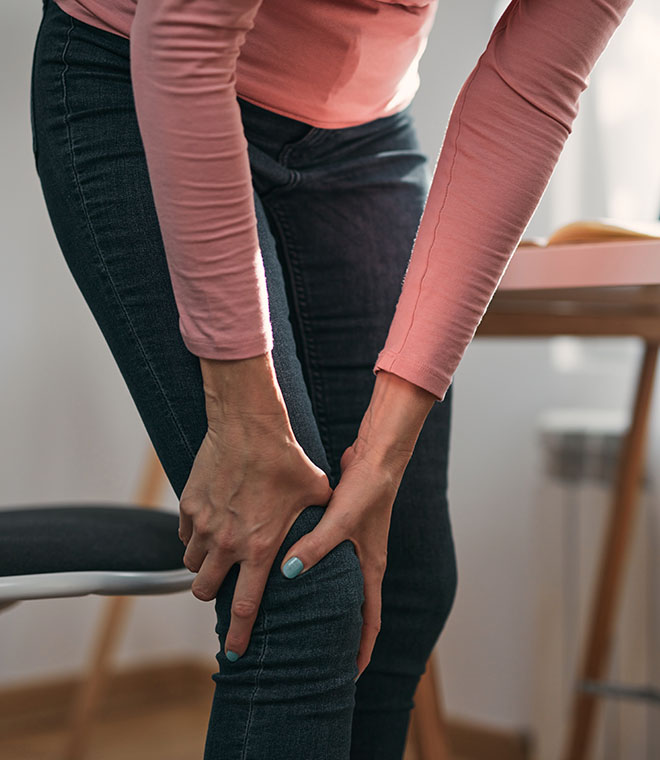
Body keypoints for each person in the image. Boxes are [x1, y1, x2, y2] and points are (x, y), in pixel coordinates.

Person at [28, 0, 633, 756]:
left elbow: (527, 92)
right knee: (297, 589)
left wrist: (379, 457)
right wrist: (247, 418)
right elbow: (188, 31)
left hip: (361, 136)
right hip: (140, 65)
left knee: (406, 583)